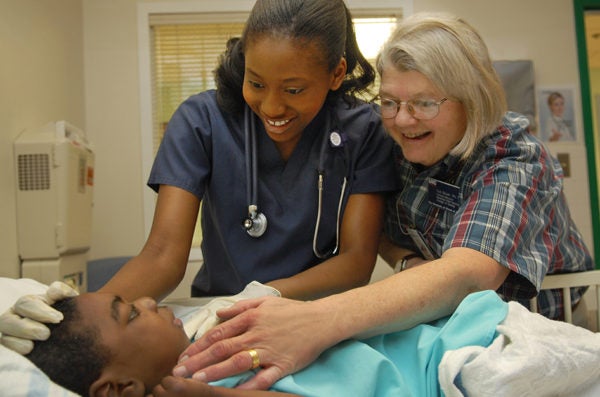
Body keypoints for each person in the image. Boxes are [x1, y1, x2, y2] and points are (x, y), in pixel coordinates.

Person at [166, 12, 595, 390]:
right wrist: (406, 260)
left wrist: (314, 319)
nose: (403, 119)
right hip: (447, 324)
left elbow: (468, 272)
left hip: (539, 329)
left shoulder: (512, 155)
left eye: (424, 103)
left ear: (472, 97)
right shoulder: (396, 144)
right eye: (390, 102)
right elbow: (384, 233)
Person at [0, 0, 398, 354]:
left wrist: (264, 295)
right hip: (215, 318)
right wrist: (77, 321)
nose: (272, 106)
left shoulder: (365, 132)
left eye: (293, 89)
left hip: (317, 322)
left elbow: (355, 260)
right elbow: (162, 256)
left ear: (336, 73)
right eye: (256, 83)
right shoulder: (201, 122)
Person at [26, 289, 513, 397]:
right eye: (131, 313)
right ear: (120, 388)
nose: (150, 300)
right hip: (448, 372)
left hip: (465, 336)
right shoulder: (198, 383)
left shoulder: (200, 330)